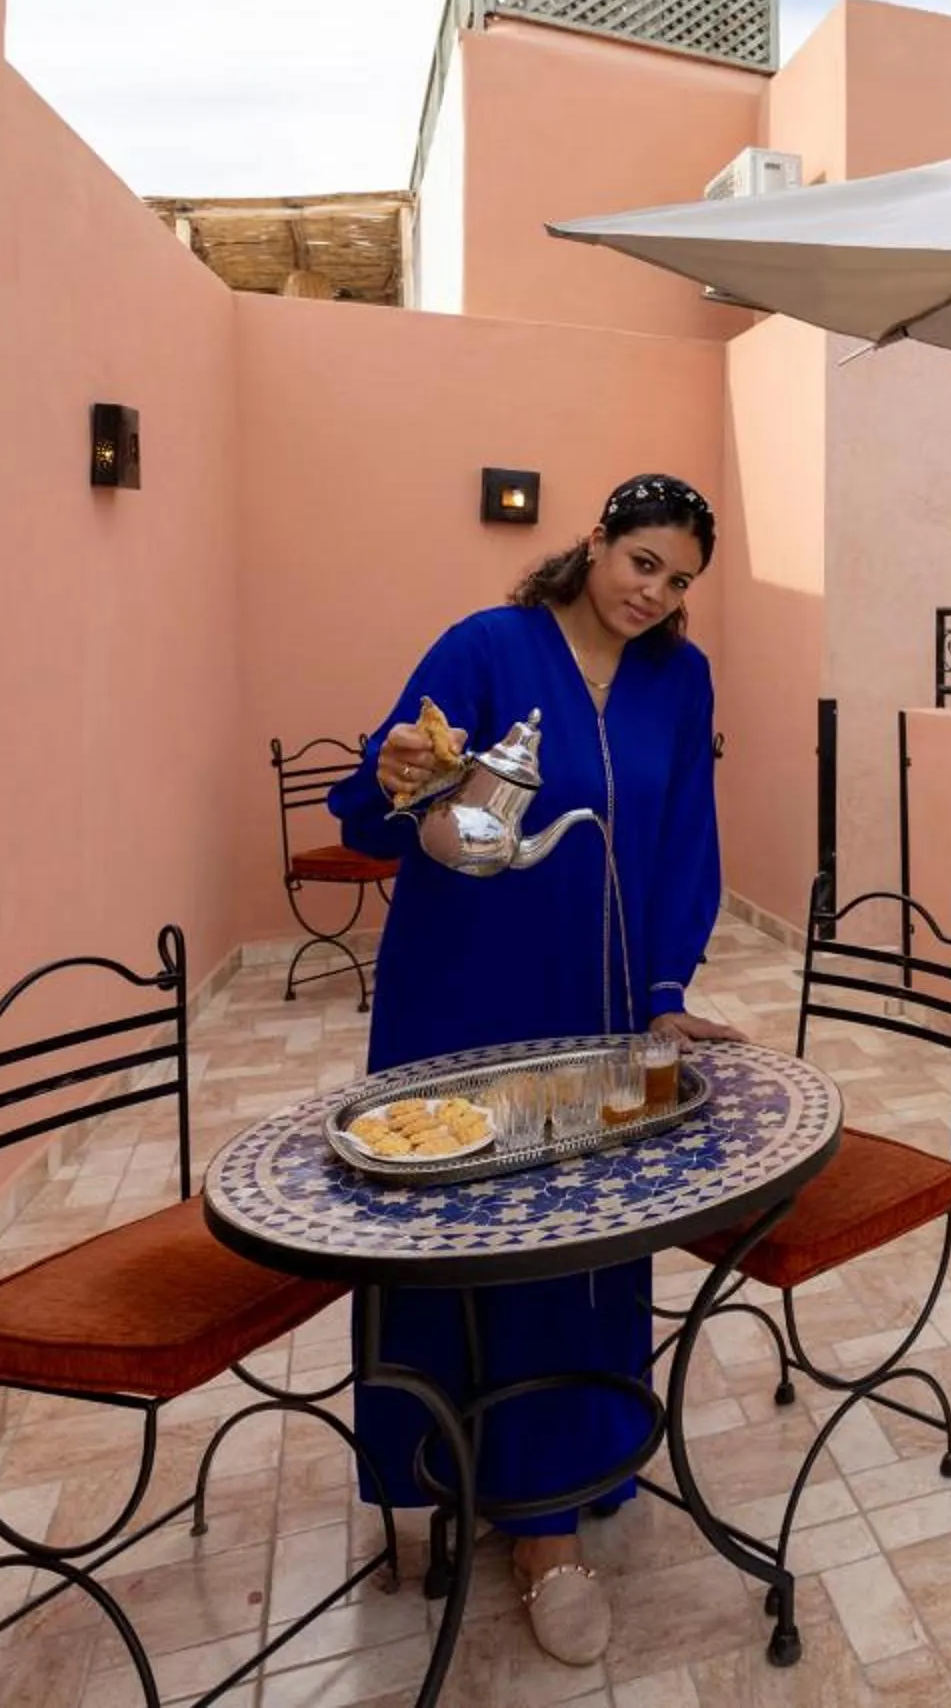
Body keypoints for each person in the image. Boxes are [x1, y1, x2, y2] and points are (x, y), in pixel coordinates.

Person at [326, 472, 741, 1667]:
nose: (654, 595)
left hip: (602, 1014)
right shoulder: (486, 647)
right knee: (467, 1238)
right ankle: (457, 1468)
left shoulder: (680, 678)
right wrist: (404, 772)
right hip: (457, 1003)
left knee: (580, 1252)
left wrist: (665, 992)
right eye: (642, 562)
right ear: (596, 540)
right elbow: (375, 803)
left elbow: (682, 845)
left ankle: (551, 1512)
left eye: (678, 582)